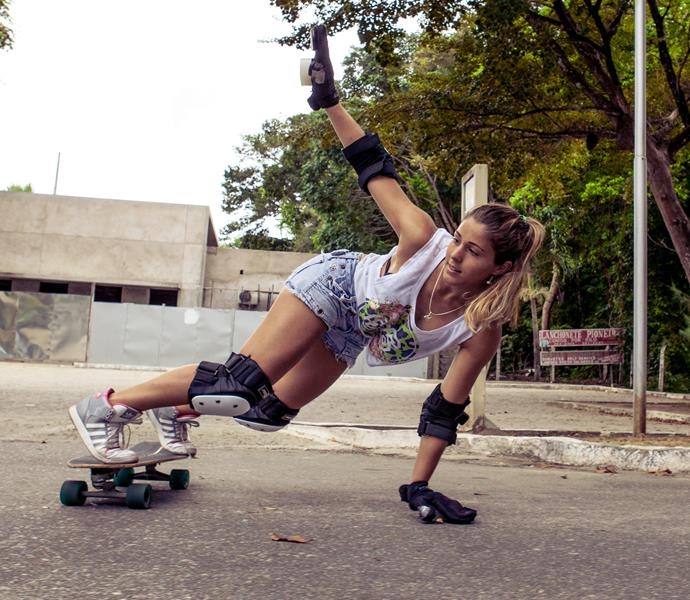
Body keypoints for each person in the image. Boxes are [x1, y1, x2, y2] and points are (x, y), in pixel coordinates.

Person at [69, 25, 545, 524]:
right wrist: (329, 100)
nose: (455, 255)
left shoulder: (479, 330)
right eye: (459, 238)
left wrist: (418, 485)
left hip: (351, 331)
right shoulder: (425, 239)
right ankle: (106, 406)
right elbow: (372, 166)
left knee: (265, 412)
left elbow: (444, 408)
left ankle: (174, 408)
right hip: (333, 283)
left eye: (473, 252)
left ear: (501, 268)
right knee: (238, 382)